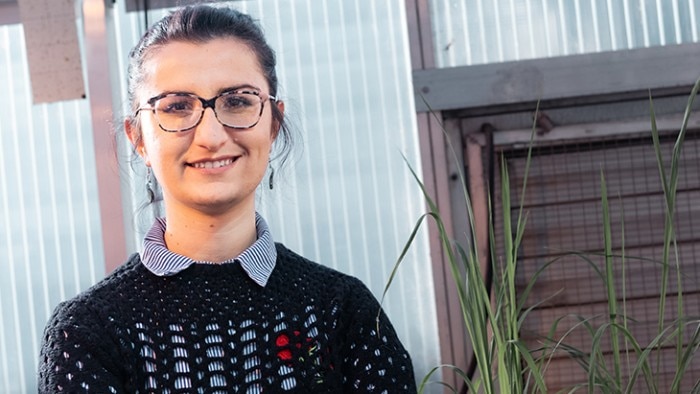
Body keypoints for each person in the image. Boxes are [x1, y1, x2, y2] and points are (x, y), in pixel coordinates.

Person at [38, 4, 416, 393]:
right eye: (176, 107)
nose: (211, 136)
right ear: (138, 139)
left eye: (237, 101)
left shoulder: (341, 311)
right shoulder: (88, 333)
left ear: (273, 123)